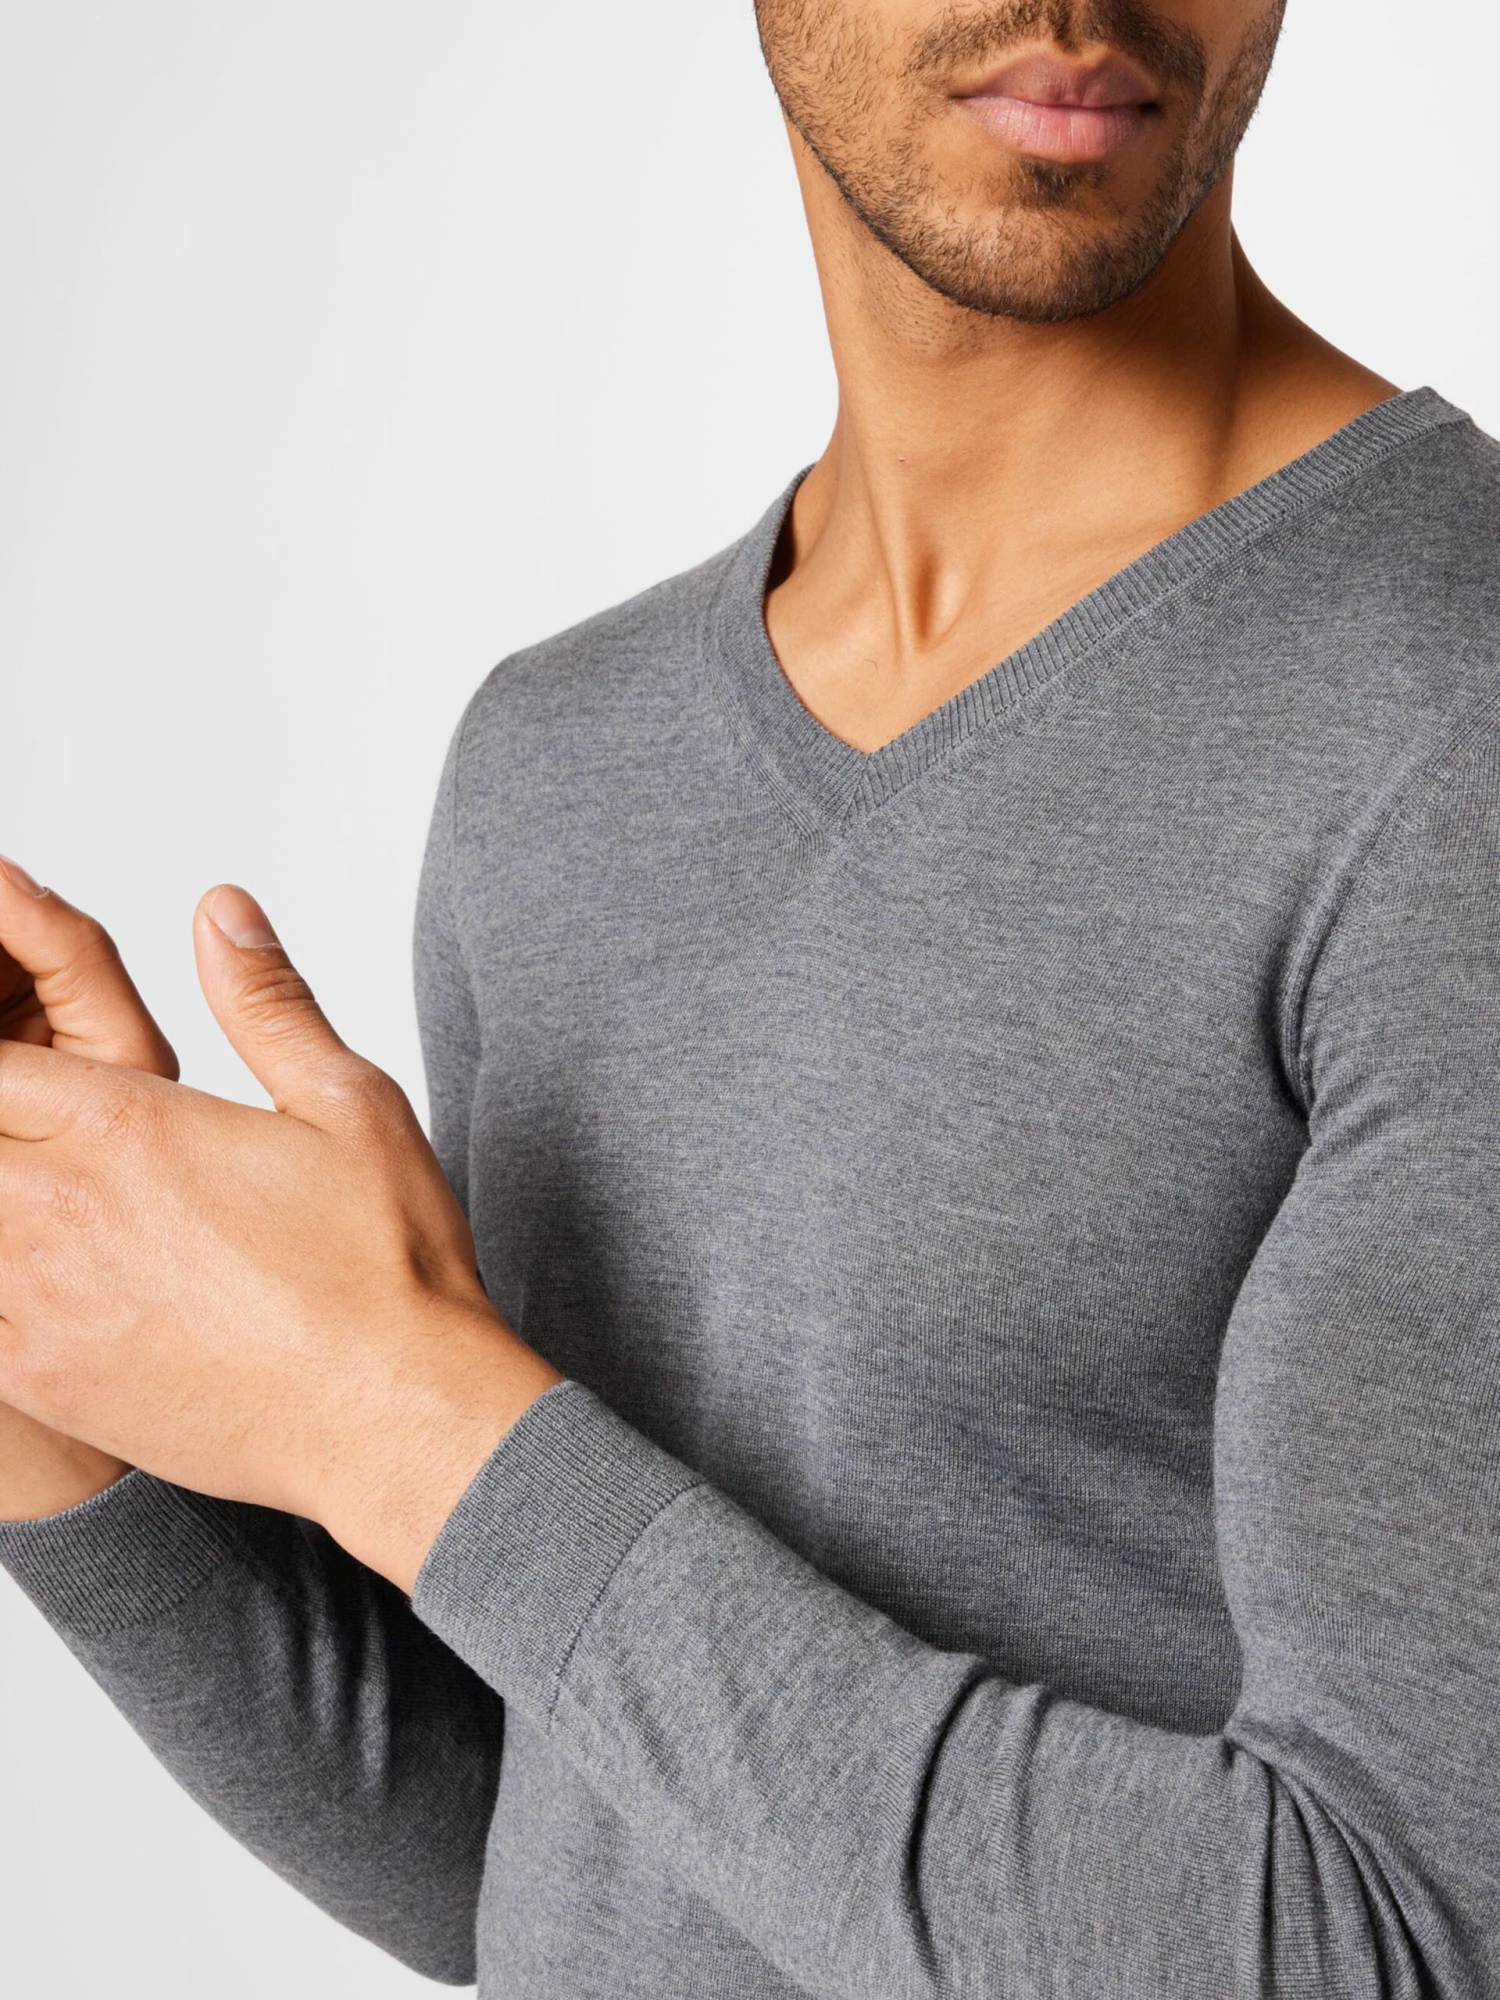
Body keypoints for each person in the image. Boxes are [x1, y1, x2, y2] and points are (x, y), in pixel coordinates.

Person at [2, 0, 1497, 1992]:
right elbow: (567, 1841)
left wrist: (390, 1414)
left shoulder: (1452, 730)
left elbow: (1390, 1943)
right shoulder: (558, 767)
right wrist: (57, 1348)